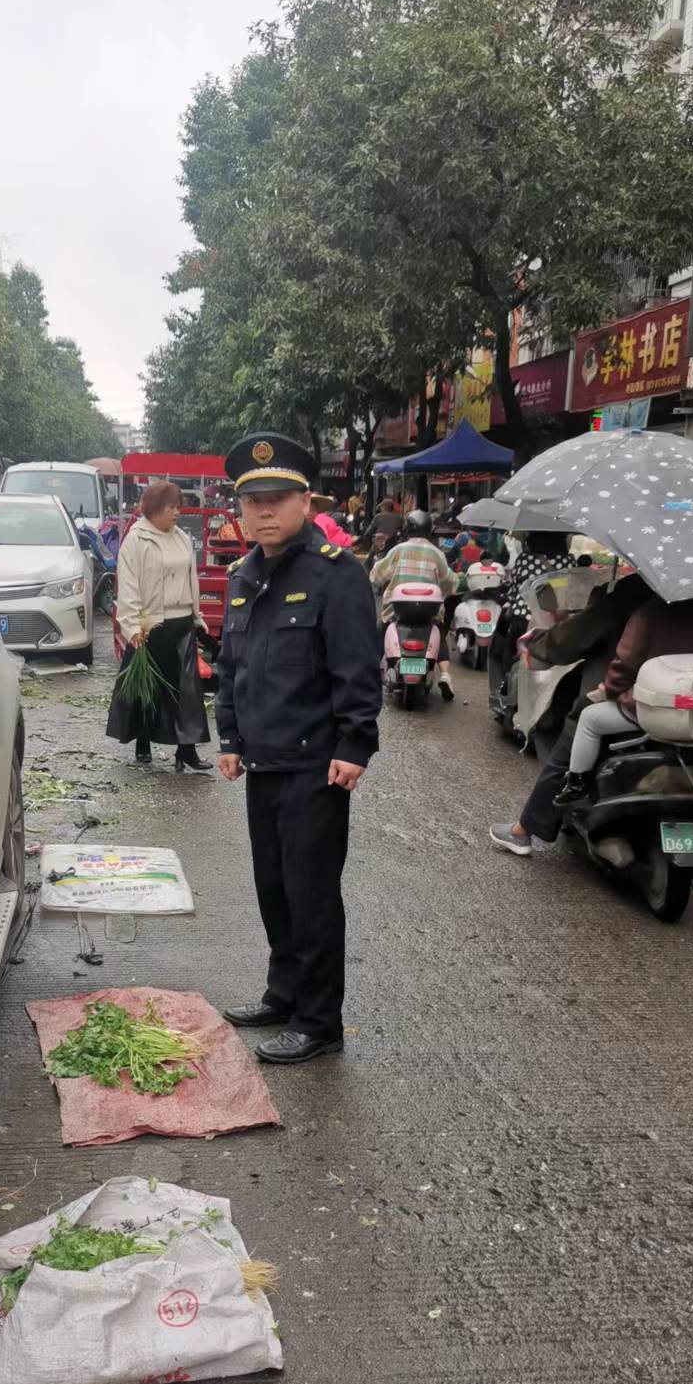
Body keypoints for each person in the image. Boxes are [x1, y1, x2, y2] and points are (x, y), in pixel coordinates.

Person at [216, 432, 382, 1066]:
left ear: (305, 502)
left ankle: (319, 1022)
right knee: (274, 887)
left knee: (312, 896)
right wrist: (230, 738)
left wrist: (355, 746)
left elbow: (358, 670)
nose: (263, 511)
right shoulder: (244, 577)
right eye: (252, 500)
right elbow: (232, 667)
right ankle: (283, 994)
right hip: (262, 763)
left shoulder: (338, 576)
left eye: (277, 498)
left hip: (318, 767)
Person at [488, 571, 655, 855]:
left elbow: (572, 639)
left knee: (571, 739)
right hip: (692, 712)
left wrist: (537, 644)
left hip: (624, 699)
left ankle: (524, 830)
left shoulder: (631, 595)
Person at [553, 594, 693, 805]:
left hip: (658, 713)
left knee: (590, 718)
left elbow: (624, 666)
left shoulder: (653, 610)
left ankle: (576, 784)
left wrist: (611, 690)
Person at [107, 479, 212, 773]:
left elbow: (192, 578)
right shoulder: (136, 540)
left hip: (181, 623)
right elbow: (128, 587)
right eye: (170, 507)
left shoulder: (180, 537)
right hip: (151, 625)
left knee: (187, 691)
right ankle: (143, 742)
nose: (177, 512)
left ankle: (186, 751)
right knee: (148, 690)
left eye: (179, 506)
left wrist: (196, 616)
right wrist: (131, 627)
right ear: (153, 509)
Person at [369, 509, 458, 701]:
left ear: (407, 529)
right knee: (440, 636)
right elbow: (450, 583)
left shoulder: (398, 551)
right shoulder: (437, 554)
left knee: (381, 632)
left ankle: (370, 674)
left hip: (397, 611)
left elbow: (377, 576)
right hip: (429, 613)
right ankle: (444, 674)